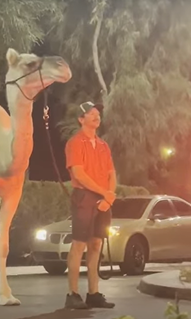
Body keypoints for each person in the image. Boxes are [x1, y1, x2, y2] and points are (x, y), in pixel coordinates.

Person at [64, 101, 117, 309]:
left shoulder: (103, 146)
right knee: (79, 244)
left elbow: (112, 173)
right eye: (91, 114)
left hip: (103, 199)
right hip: (84, 197)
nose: (96, 116)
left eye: (97, 113)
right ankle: (72, 293)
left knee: (96, 244)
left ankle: (93, 293)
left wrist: (109, 197)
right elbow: (79, 174)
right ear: (81, 119)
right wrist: (105, 193)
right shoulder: (75, 143)